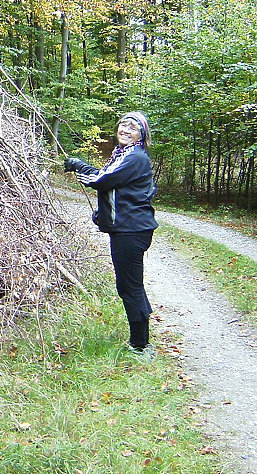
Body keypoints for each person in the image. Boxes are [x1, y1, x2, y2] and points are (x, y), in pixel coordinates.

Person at [64, 111, 158, 359]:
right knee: (129, 285)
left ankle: (141, 346)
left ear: (141, 135)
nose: (125, 130)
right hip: (128, 229)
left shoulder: (135, 157)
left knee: (130, 287)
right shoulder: (123, 154)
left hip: (131, 231)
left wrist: (79, 166)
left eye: (132, 128)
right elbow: (115, 187)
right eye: (123, 125)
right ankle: (141, 338)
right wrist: (103, 213)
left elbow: (103, 181)